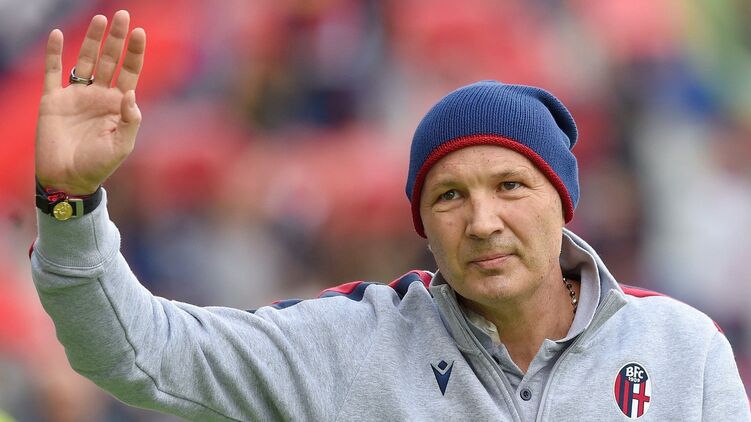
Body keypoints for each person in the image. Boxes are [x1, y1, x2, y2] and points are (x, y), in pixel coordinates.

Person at [31, 11, 749, 422]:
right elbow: (137, 351)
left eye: (509, 186)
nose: (482, 221)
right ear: (422, 227)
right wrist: (68, 202)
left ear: (563, 203)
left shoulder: (682, 350)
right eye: (449, 196)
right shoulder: (350, 344)